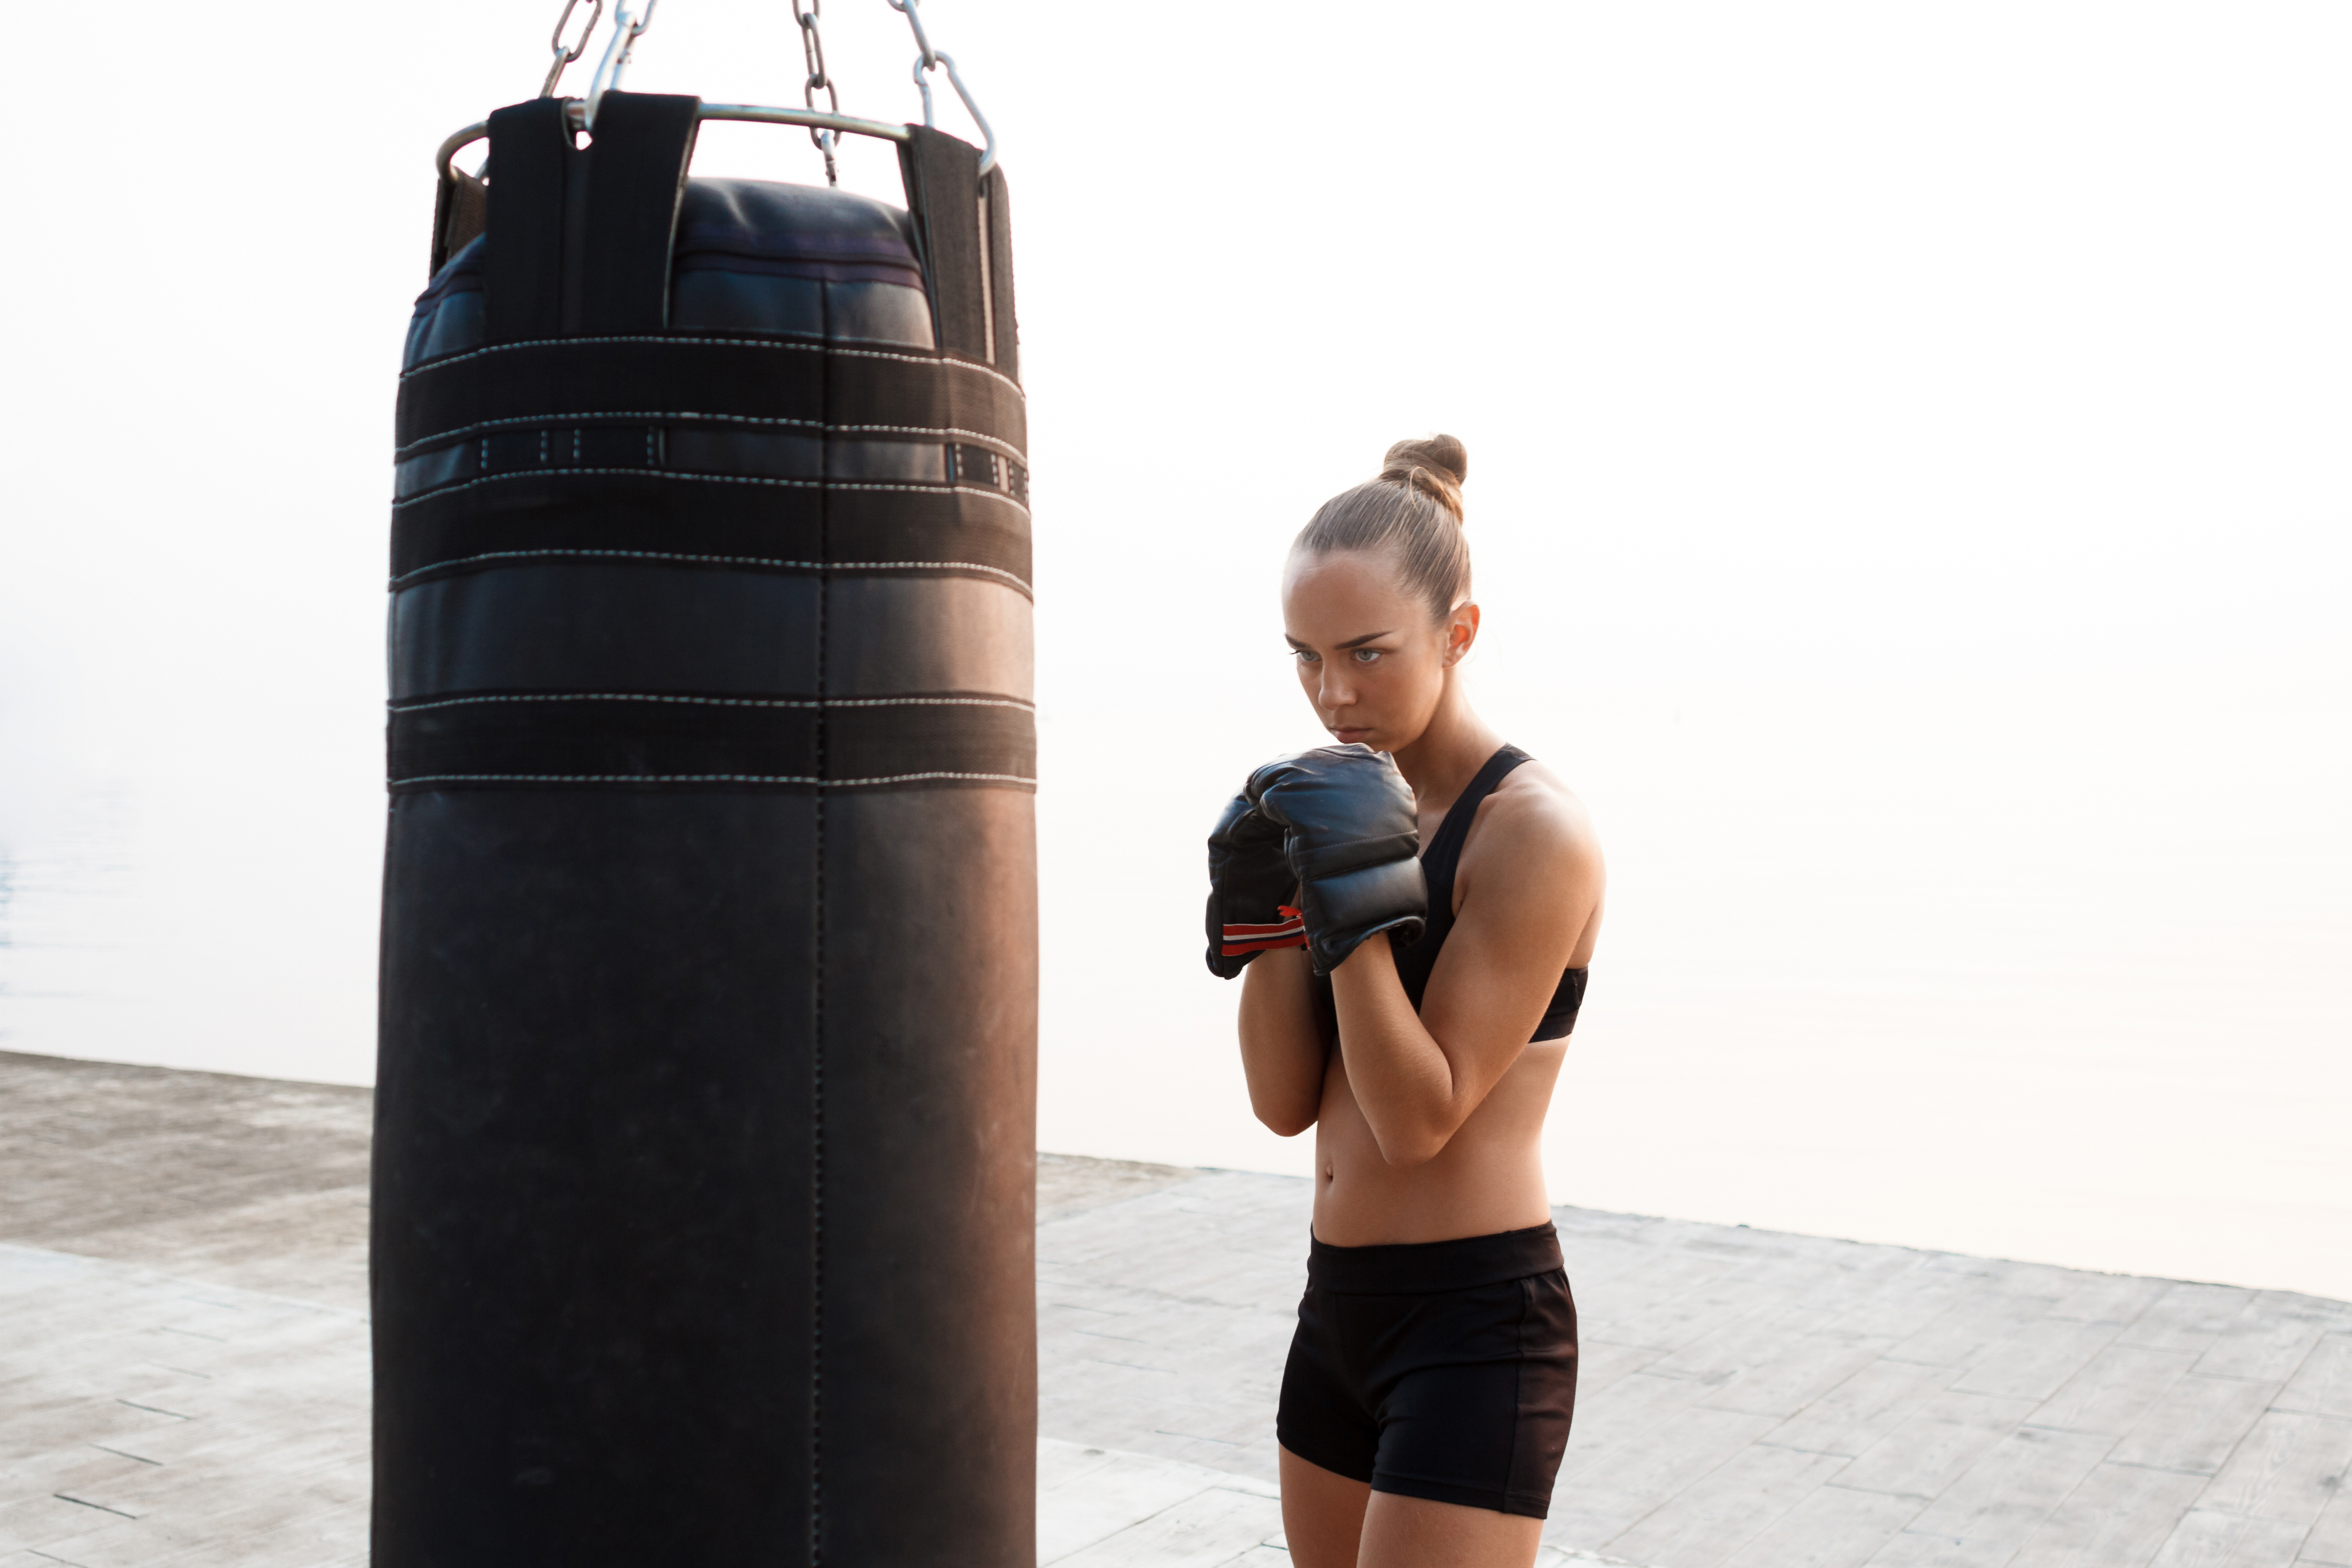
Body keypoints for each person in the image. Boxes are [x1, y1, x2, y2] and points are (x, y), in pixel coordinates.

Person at [1205, 436, 1606, 1568]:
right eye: (1306, 657)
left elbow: (1418, 1119)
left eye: (1367, 654)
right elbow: (1284, 1103)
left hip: (1473, 1324)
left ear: (1457, 634)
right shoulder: (1329, 807)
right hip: (1336, 1310)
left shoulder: (1531, 832)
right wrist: (1275, 919)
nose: (1333, 693)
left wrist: (1348, 907)